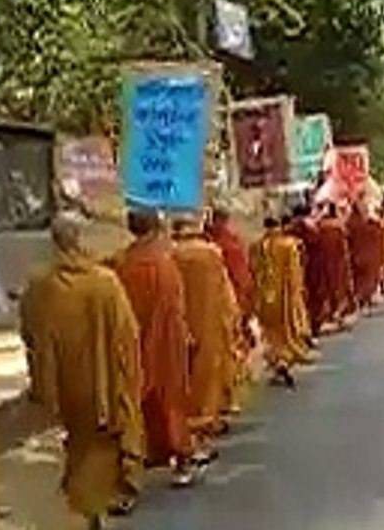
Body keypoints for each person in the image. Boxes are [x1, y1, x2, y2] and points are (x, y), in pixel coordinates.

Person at [24, 214, 144, 528]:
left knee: (78, 441)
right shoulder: (104, 282)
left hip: (64, 382)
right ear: (82, 238)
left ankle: (86, 505)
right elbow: (127, 336)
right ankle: (96, 506)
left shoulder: (39, 285)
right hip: (105, 382)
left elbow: (30, 333)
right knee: (101, 444)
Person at [113, 209, 199, 487]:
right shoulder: (164, 265)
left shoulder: (123, 264)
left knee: (141, 400)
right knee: (171, 399)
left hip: (134, 342)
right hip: (166, 343)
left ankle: (145, 454)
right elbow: (175, 308)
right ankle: (181, 458)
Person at [172, 216, 241, 436]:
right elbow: (225, 290)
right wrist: (232, 316)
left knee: (186, 369)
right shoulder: (211, 253)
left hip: (181, 321)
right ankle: (207, 415)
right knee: (209, 367)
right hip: (209, 319)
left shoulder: (171, 255)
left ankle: (187, 417)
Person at [250, 218, 314, 388]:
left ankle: (276, 362)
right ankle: (283, 362)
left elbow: (254, 271)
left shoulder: (256, 247)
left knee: (270, 333)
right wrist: (298, 294)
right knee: (285, 332)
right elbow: (294, 275)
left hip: (264, 298)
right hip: (283, 298)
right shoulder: (288, 246)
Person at [288, 205, 328, 336]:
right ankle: (311, 325)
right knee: (312, 295)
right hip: (311, 268)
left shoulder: (290, 231)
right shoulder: (311, 228)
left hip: (297, 269)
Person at [318, 203, 357, 328]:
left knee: (326, 288)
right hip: (339, 262)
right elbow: (345, 244)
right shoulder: (339, 226)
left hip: (324, 263)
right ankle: (338, 314)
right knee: (339, 288)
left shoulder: (319, 226)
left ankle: (328, 315)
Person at [347, 201, 384, 308]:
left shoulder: (350, 223)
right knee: (366, 278)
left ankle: (362, 298)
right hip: (366, 255)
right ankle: (366, 298)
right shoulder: (370, 224)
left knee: (361, 279)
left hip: (357, 255)